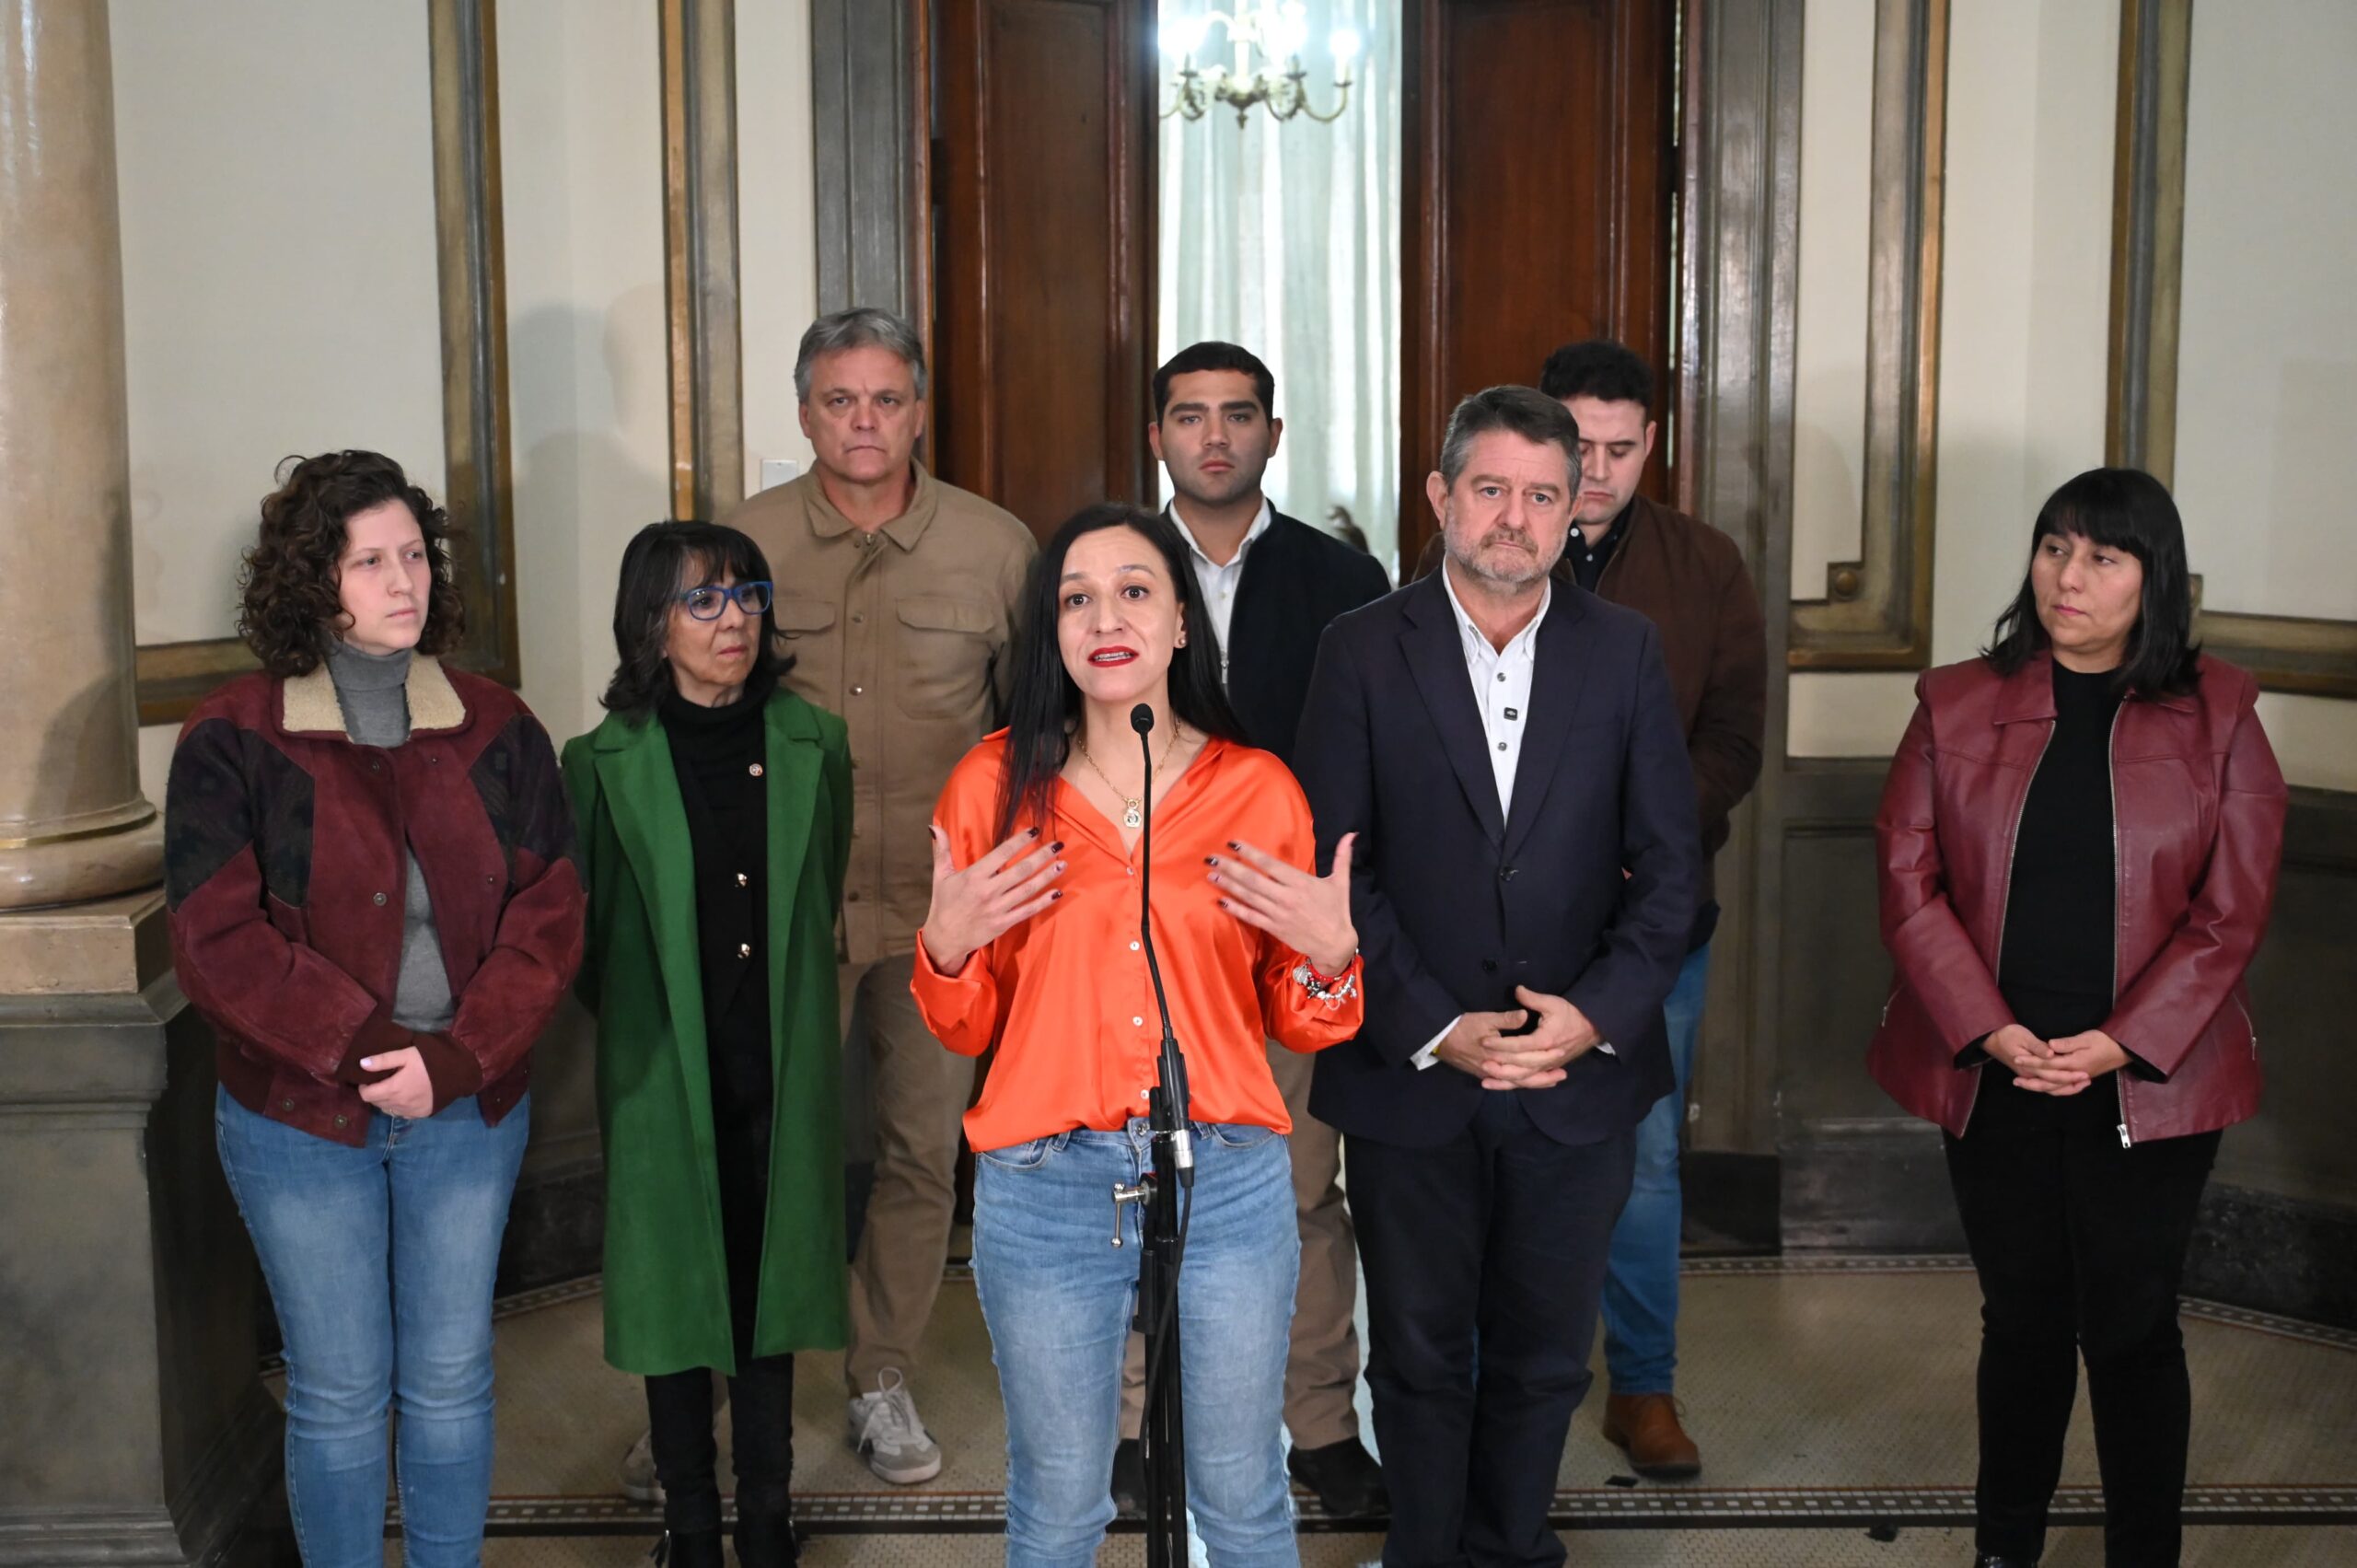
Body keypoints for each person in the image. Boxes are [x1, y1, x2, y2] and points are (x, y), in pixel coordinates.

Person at [912, 503, 1364, 1568]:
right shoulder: (990, 785)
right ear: (1052, 629)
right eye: (1077, 598)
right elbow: (964, 1023)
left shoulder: (1256, 786)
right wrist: (945, 944)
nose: (1105, 617)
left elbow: (1300, 1018)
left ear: (1179, 624)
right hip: (1042, 1184)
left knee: (1242, 1493)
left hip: (1226, 1176)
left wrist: (1331, 953)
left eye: (1133, 591)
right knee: (1060, 1502)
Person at [1294, 387, 1698, 1568]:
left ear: (1575, 510)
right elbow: (1334, 866)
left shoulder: (1624, 650)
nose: (1514, 517)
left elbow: (1671, 868)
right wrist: (1434, 1024)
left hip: (1576, 1072)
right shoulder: (1361, 647)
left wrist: (1592, 1015)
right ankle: (1424, 1554)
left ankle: (1513, 1548)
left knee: (1543, 1357)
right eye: (1490, 489)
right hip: (1413, 1074)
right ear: (1440, 495)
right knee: (1419, 1353)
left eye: (1541, 494)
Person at [165, 450, 583, 1568]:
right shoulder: (233, 735)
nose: (405, 582)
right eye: (369, 562)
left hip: (465, 1107)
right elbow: (216, 939)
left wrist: (458, 1055)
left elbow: (549, 915)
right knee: (340, 1389)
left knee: (449, 1376)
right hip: (299, 1118)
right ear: (312, 580)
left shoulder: (499, 727)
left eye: (414, 556)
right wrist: (362, 1044)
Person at [1869, 468, 2286, 1568]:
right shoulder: (1953, 701)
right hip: (1995, 1065)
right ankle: (2004, 1547)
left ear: (2154, 578)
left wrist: (2120, 1042)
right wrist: (1990, 1028)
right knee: (2021, 1320)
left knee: (2133, 1327)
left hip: (2152, 1078)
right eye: (2054, 546)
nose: (2069, 575)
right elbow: (1908, 883)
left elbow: (2232, 911)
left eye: (2103, 556)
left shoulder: (2222, 711)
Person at [701, 306, 1033, 1489]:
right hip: (777, 912)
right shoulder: (737, 544)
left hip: (939, 918)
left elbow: (1032, 740)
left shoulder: (996, 548)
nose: (863, 422)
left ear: (919, 411)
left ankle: (879, 1371)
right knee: (758, 1150)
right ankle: (716, 1391)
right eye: (839, 400)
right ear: (803, 412)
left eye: (887, 399)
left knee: (919, 1153)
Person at [1107, 341, 1391, 1518]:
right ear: (1158, 436)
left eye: (1237, 415)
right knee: (1134, 1186)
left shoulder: (1342, 578)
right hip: (1138, 931)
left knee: (1299, 1190)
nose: (1213, 436)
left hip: (1285, 935)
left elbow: (1379, 758)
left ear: (1274, 433)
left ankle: (1320, 1424)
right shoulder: (1111, 569)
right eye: (1189, 415)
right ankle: (1137, 1423)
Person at [563, 523, 853, 1568]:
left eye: (747, 595)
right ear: (651, 623)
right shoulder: (596, 764)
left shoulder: (817, 742)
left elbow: (818, 888)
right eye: (703, 600)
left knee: (767, 1293)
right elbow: (591, 941)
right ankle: (689, 1522)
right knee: (677, 1293)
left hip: (781, 1064)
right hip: (663, 1071)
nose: (734, 619)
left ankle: (766, 1515)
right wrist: (662, 1023)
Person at [1537, 338, 1764, 1478]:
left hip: (1653, 918)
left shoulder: (1703, 562)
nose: (1595, 472)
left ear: (1651, 446)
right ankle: (1517, 1380)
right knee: (1509, 1155)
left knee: (1646, 1159)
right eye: (1576, 445)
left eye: (1619, 449)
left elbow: (1732, 737)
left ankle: (1643, 1385)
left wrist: (1647, 835)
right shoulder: (1481, 541)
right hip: (1510, 921)